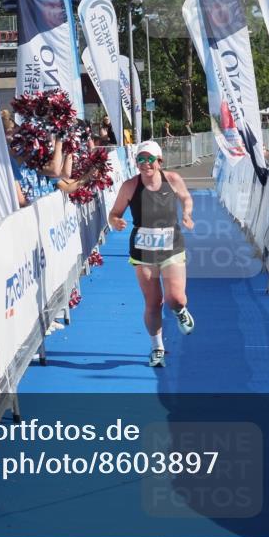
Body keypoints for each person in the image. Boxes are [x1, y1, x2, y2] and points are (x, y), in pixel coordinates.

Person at [107, 140, 195, 368]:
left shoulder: (172, 179)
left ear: (159, 161)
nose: (145, 164)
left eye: (150, 159)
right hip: (142, 250)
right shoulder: (129, 186)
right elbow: (114, 213)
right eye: (141, 159)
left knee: (175, 298)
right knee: (153, 302)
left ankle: (180, 310)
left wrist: (186, 213)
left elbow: (186, 197)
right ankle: (157, 348)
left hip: (171, 246)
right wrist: (115, 221)